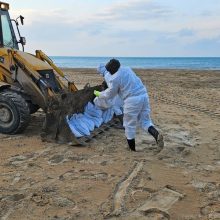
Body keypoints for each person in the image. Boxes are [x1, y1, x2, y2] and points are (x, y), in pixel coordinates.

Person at [94, 59, 164, 151]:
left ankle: (132, 149)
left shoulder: (115, 78)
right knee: (145, 121)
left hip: (132, 100)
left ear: (112, 70)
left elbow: (110, 94)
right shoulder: (127, 69)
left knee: (129, 125)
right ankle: (156, 135)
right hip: (144, 96)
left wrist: (99, 94)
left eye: (109, 70)